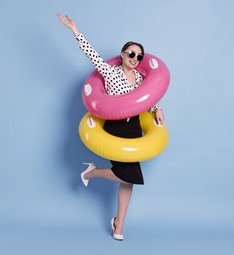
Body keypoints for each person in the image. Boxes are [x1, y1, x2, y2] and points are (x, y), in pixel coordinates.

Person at [57, 13, 164, 241]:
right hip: (116, 127)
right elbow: (91, 53)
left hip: (134, 126)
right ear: (123, 54)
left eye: (139, 56)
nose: (135, 58)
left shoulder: (140, 76)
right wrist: (74, 29)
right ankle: (93, 172)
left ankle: (119, 225)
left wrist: (157, 109)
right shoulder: (110, 72)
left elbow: (145, 99)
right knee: (127, 174)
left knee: (130, 178)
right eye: (131, 53)